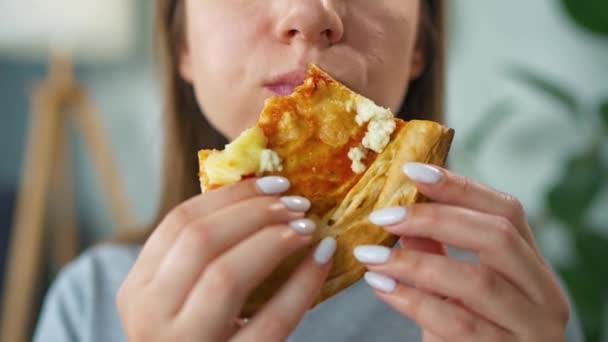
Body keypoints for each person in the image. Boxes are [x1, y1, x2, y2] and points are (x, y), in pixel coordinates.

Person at [34, 1, 584, 341]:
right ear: (183, 45)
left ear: (420, 41)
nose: (310, 13)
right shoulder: (91, 302)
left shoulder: (508, 297)